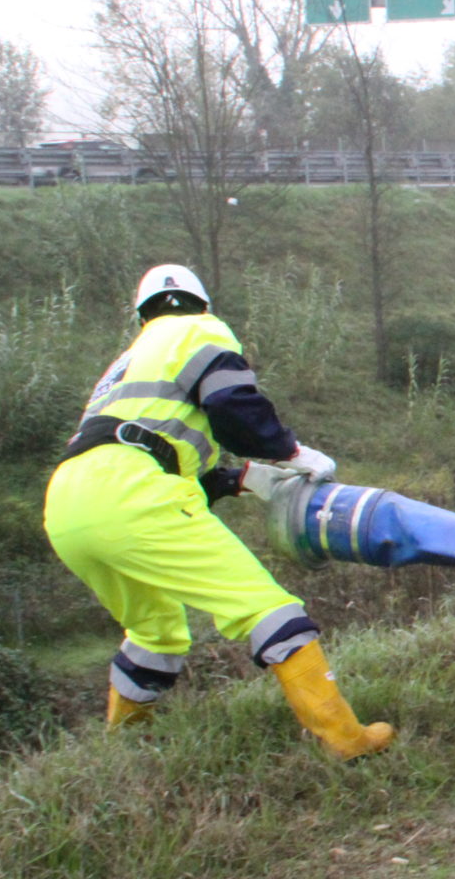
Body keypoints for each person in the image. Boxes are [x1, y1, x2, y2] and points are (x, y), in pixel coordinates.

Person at [43, 264, 396, 759]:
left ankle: (122, 750)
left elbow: (147, 446)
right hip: (133, 492)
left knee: (153, 634)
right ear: (203, 304)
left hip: (68, 503)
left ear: (141, 315)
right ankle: (348, 741)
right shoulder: (202, 328)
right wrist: (290, 452)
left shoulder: (127, 364)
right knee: (269, 609)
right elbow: (231, 404)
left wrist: (240, 479)